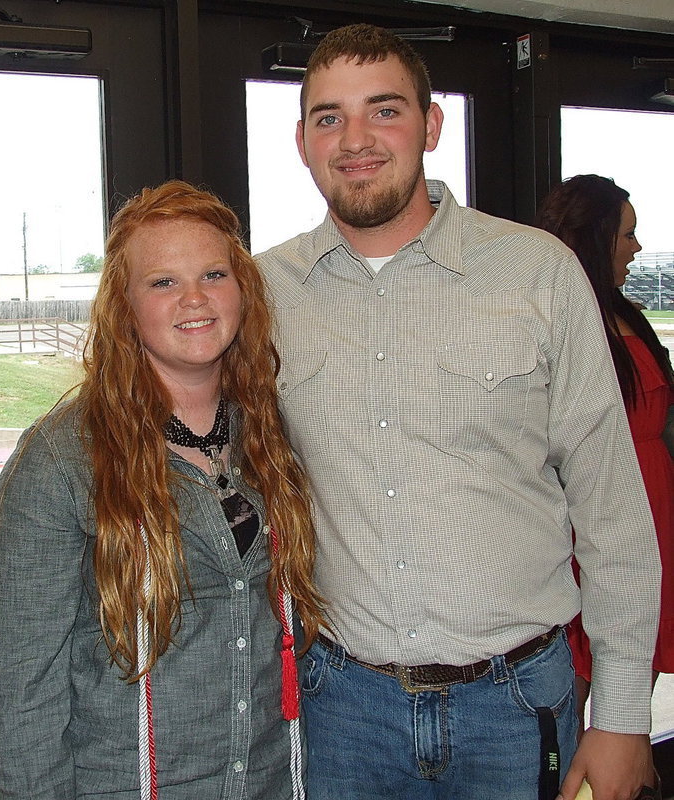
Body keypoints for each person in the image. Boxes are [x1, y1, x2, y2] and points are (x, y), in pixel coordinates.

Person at [257, 23, 661, 800]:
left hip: (516, 706)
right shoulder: (265, 292)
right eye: (329, 117)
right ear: (302, 141)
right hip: (342, 712)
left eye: (385, 110)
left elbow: (612, 514)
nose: (356, 140)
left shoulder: (535, 273)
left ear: (431, 124)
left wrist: (620, 716)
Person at [0, 180, 323, 800]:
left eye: (214, 274)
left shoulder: (272, 435)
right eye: (163, 281)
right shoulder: (61, 459)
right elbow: (21, 692)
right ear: (124, 304)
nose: (194, 298)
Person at [536, 175, 674, 726]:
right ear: (597, 237)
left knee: (630, 688)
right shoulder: (563, 315)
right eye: (627, 236)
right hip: (585, 520)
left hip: (652, 510)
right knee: (569, 692)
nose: (637, 249)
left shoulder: (625, 312)